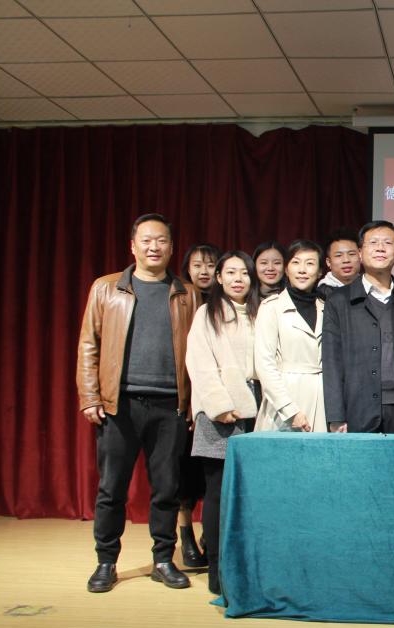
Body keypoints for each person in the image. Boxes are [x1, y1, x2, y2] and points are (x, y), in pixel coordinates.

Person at [76, 213, 201, 593]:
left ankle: (163, 559)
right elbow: (89, 344)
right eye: (146, 240)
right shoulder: (106, 288)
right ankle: (106, 562)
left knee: (167, 488)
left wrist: (194, 402)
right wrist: (89, 396)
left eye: (161, 240)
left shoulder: (186, 293)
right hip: (120, 405)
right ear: (132, 246)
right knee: (111, 488)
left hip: (170, 406)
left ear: (171, 247)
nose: (153, 247)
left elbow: (199, 352)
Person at [184, 251, 260, 595]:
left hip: (257, 411)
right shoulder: (207, 313)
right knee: (217, 492)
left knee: (249, 492)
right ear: (218, 277)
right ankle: (216, 569)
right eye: (230, 272)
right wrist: (220, 405)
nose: (237, 279)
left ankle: (245, 565)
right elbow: (199, 363)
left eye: (243, 272)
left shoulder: (261, 311)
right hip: (221, 414)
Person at [323, 221, 394, 434]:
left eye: (388, 243)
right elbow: (331, 362)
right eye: (373, 243)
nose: (380, 248)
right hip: (357, 409)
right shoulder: (339, 300)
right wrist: (336, 416)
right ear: (360, 252)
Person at [177, 242, 223, 567]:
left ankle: (210, 534)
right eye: (197, 265)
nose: (204, 271)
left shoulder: (227, 302)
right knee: (184, 474)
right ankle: (185, 537)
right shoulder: (179, 300)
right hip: (185, 399)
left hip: (217, 402)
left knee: (213, 477)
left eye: (210, 265)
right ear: (187, 269)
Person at [254, 240, 328, 433]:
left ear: (320, 271)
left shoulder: (326, 308)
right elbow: (264, 364)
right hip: (284, 400)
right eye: (296, 262)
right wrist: (289, 409)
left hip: (321, 399)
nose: (302, 270)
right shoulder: (272, 307)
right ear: (286, 269)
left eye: (310, 263)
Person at [318, 232, 361, 297]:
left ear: (360, 256)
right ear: (328, 262)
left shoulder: (369, 285)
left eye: (351, 254)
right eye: (338, 255)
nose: (346, 260)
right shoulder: (323, 292)